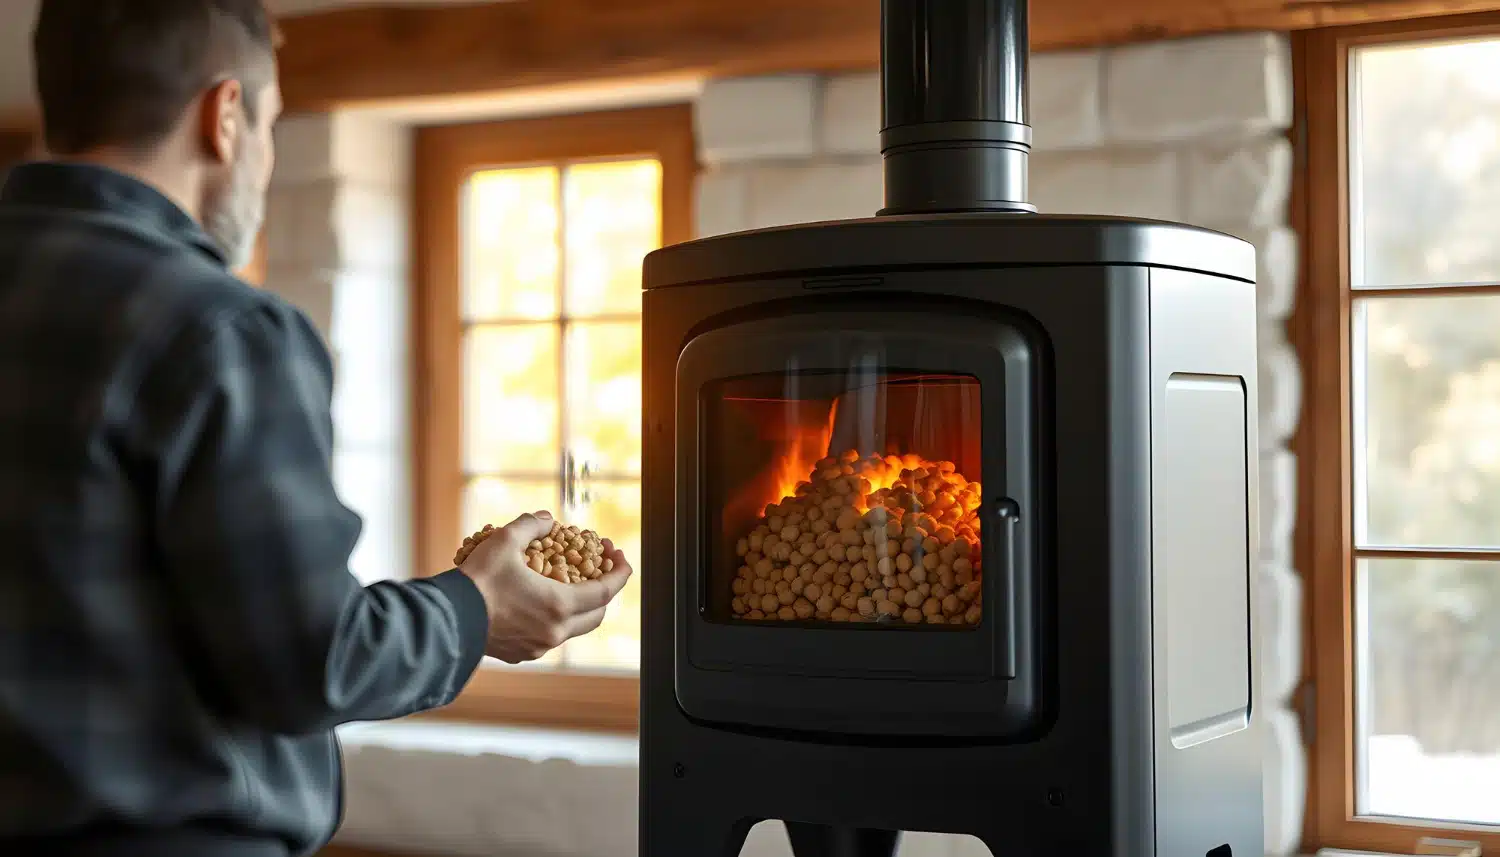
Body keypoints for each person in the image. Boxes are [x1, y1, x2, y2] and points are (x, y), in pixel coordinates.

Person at [0, 2, 633, 855]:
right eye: (271, 123)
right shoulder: (216, 330)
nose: (264, 157)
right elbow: (309, 660)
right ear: (224, 117)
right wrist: (478, 608)